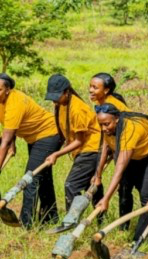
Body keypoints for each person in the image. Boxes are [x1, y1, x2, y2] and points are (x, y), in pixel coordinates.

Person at [94, 103, 148, 241]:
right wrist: (97, 176)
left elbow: (120, 167)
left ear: (116, 119)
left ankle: (143, 239)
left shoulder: (130, 129)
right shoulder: (108, 129)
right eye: (101, 125)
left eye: (107, 124)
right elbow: (104, 148)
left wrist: (106, 198)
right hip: (142, 151)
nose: (104, 128)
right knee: (133, 187)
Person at [0, 73, 61, 229]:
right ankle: (51, 216)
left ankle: (26, 224)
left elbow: (5, 140)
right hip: (34, 138)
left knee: (30, 179)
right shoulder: (0, 101)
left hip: (48, 134)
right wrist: (13, 144)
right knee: (43, 177)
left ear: (7, 90)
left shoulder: (15, 103)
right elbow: (9, 125)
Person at [43, 74, 103, 228]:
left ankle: (71, 222)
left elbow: (79, 140)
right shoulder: (60, 105)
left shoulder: (77, 109)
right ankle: (100, 220)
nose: (55, 100)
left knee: (72, 184)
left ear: (67, 91)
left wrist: (57, 154)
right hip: (82, 149)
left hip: (91, 148)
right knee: (93, 185)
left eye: (57, 96)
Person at [89, 72, 134, 228]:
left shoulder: (115, 107)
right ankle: (122, 225)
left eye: (95, 87)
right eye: (90, 86)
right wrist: (98, 173)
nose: (91, 90)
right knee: (123, 187)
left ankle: (124, 227)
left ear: (106, 90)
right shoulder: (102, 106)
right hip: (118, 149)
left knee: (126, 187)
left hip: (130, 150)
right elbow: (105, 142)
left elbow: (121, 138)